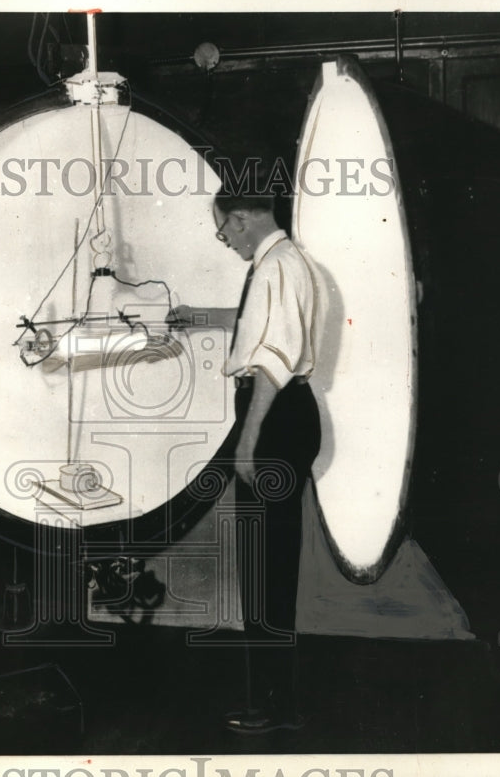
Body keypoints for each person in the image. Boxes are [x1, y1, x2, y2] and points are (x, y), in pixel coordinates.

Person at [172, 185, 321, 734]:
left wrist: (248, 440)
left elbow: (273, 364)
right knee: (269, 564)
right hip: (283, 418)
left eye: (222, 230)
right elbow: (259, 329)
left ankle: (276, 708)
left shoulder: (276, 267)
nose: (224, 241)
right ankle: (276, 699)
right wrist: (198, 317)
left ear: (240, 219)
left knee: (266, 569)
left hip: (273, 419)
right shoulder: (285, 261)